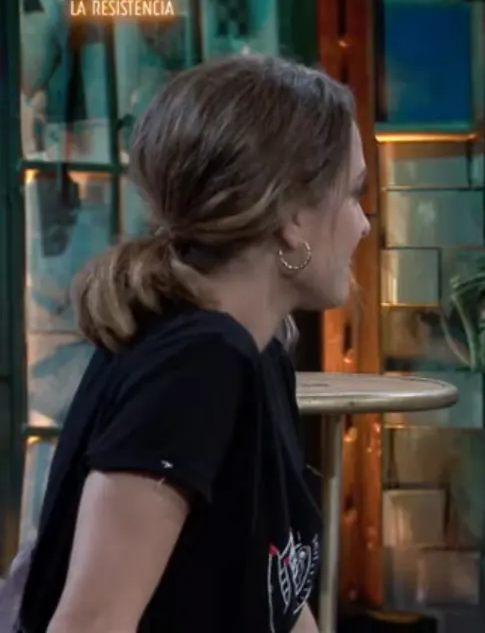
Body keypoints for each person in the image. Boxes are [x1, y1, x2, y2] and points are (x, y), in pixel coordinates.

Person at [18, 55, 370, 633]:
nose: (364, 224)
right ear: (290, 216)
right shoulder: (196, 365)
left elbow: (280, 606)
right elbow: (92, 623)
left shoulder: (258, 356)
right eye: (353, 194)